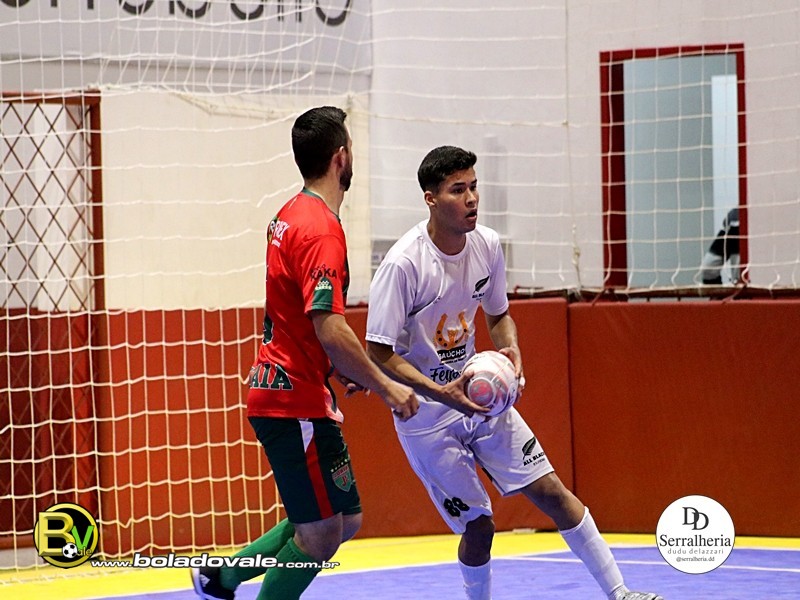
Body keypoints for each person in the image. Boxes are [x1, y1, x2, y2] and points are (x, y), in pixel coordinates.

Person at [365, 145, 664, 600]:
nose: (471, 198)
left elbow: (499, 314)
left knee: (552, 492)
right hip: (427, 416)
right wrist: (441, 393)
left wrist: (511, 350)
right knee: (479, 526)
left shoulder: (486, 245)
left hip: (480, 396)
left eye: (474, 187)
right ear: (431, 199)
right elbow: (378, 352)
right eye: (457, 190)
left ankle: (621, 593)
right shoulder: (404, 264)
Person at [192, 106, 418, 600]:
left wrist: (337, 368)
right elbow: (329, 325)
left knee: (345, 519)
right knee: (318, 536)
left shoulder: (288, 215)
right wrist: (387, 386)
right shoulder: (320, 230)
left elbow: (298, 316)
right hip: (292, 401)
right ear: (341, 157)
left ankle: (220, 577)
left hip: (299, 391)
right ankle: (225, 580)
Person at [699, 207, 741, 284]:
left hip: (749, 225)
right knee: (708, 269)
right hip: (732, 224)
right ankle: (718, 292)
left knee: (739, 278)